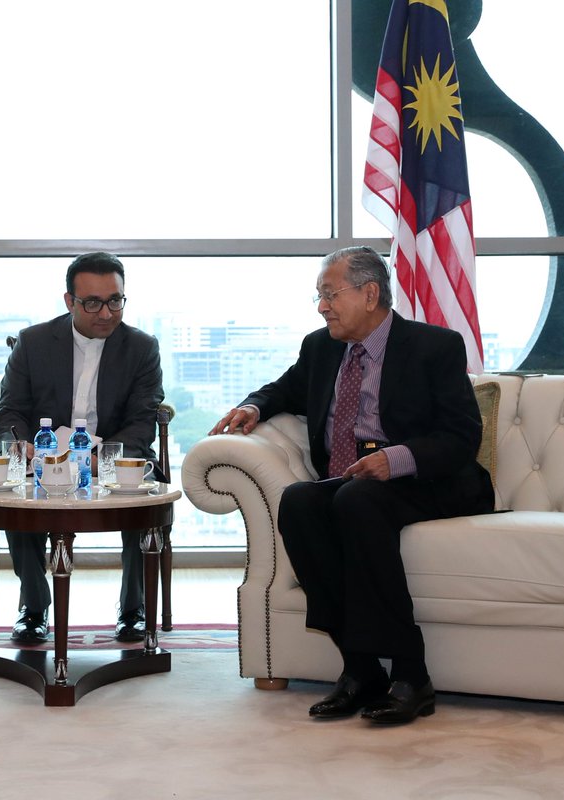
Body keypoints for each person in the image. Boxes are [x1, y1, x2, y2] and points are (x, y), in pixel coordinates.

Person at [209, 245, 492, 724]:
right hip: (353, 481)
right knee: (299, 501)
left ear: (369, 294)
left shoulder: (435, 346)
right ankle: (361, 669)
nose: (322, 307)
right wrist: (254, 406)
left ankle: (412, 674)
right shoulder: (321, 347)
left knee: (358, 500)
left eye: (329, 294)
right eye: (319, 297)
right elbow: (284, 389)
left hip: (429, 479)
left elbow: (461, 437)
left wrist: (394, 459)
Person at [0, 252, 165, 643]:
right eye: (92, 303)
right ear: (69, 301)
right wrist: (20, 446)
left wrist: (99, 458)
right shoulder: (33, 342)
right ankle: (34, 607)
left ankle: (133, 608)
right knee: (14, 495)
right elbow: (10, 411)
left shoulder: (142, 347)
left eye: (115, 301)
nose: (106, 313)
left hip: (112, 459)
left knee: (146, 496)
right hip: (45, 458)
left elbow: (142, 422)